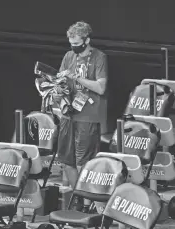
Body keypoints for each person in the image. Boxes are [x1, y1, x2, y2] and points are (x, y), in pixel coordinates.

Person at [56, 21, 108, 212]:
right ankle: (79, 198)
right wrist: (57, 92)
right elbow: (61, 82)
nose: (73, 46)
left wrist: (76, 77)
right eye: (71, 42)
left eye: (77, 43)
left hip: (88, 115)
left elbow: (101, 87)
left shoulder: (99, 57)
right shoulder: (69, 56)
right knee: (66, 160)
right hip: (68, 115)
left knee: (83, 161)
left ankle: (88, 204)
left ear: (87, 40)